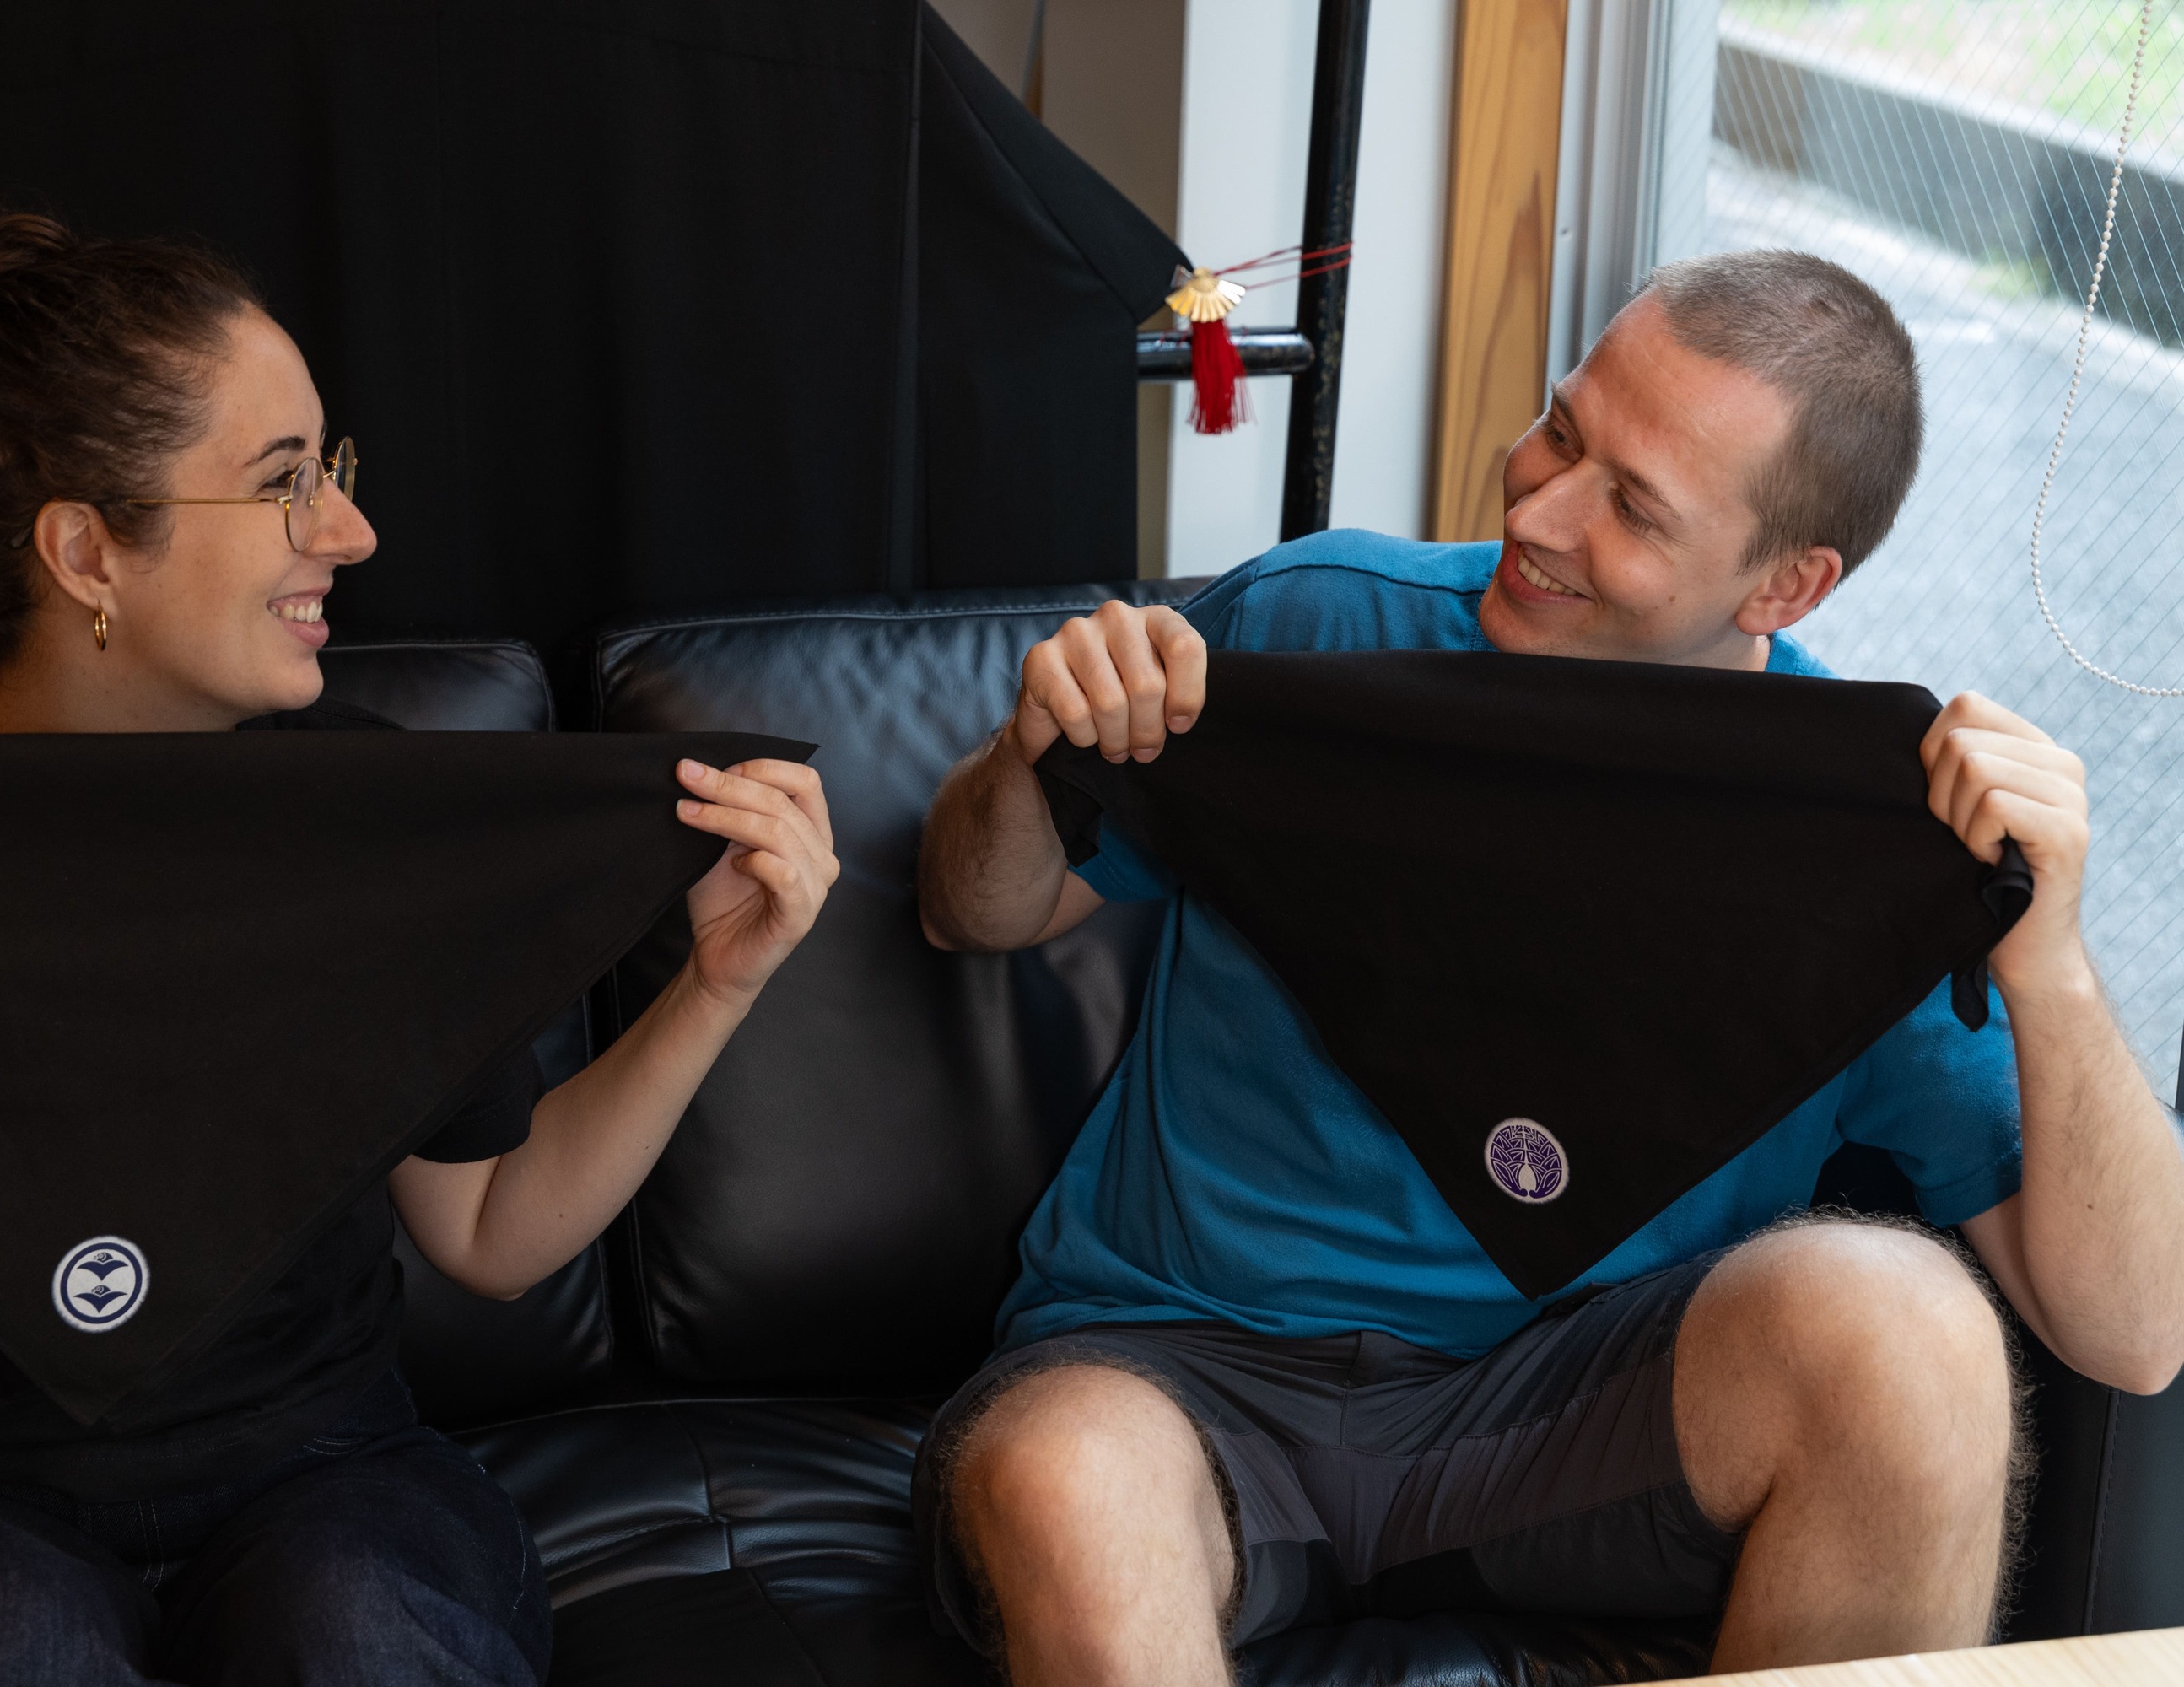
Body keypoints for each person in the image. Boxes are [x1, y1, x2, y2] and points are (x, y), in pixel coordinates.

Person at [912, 249, 2184, 1684]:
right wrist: (1031, 753)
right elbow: (973, 913)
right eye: (1561, 429)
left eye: (1633, 506)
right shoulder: (1310, 625)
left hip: (1575, 1415)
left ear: (1787, 584)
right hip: (1177, 1371)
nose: (1537, 510)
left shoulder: (1862, 834)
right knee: (1069, 1484)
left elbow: (2138, 1337)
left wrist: (2053, 964)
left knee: (1920, 1333)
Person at [0, 201, 838, 1687]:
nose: (349, 532)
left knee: (350, 1631)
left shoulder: (365, 820)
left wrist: (714, 988)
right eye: (283, 483)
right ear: (88, 550)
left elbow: (488, 1231)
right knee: (0, 1640)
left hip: (324, 1485)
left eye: (332, 472)